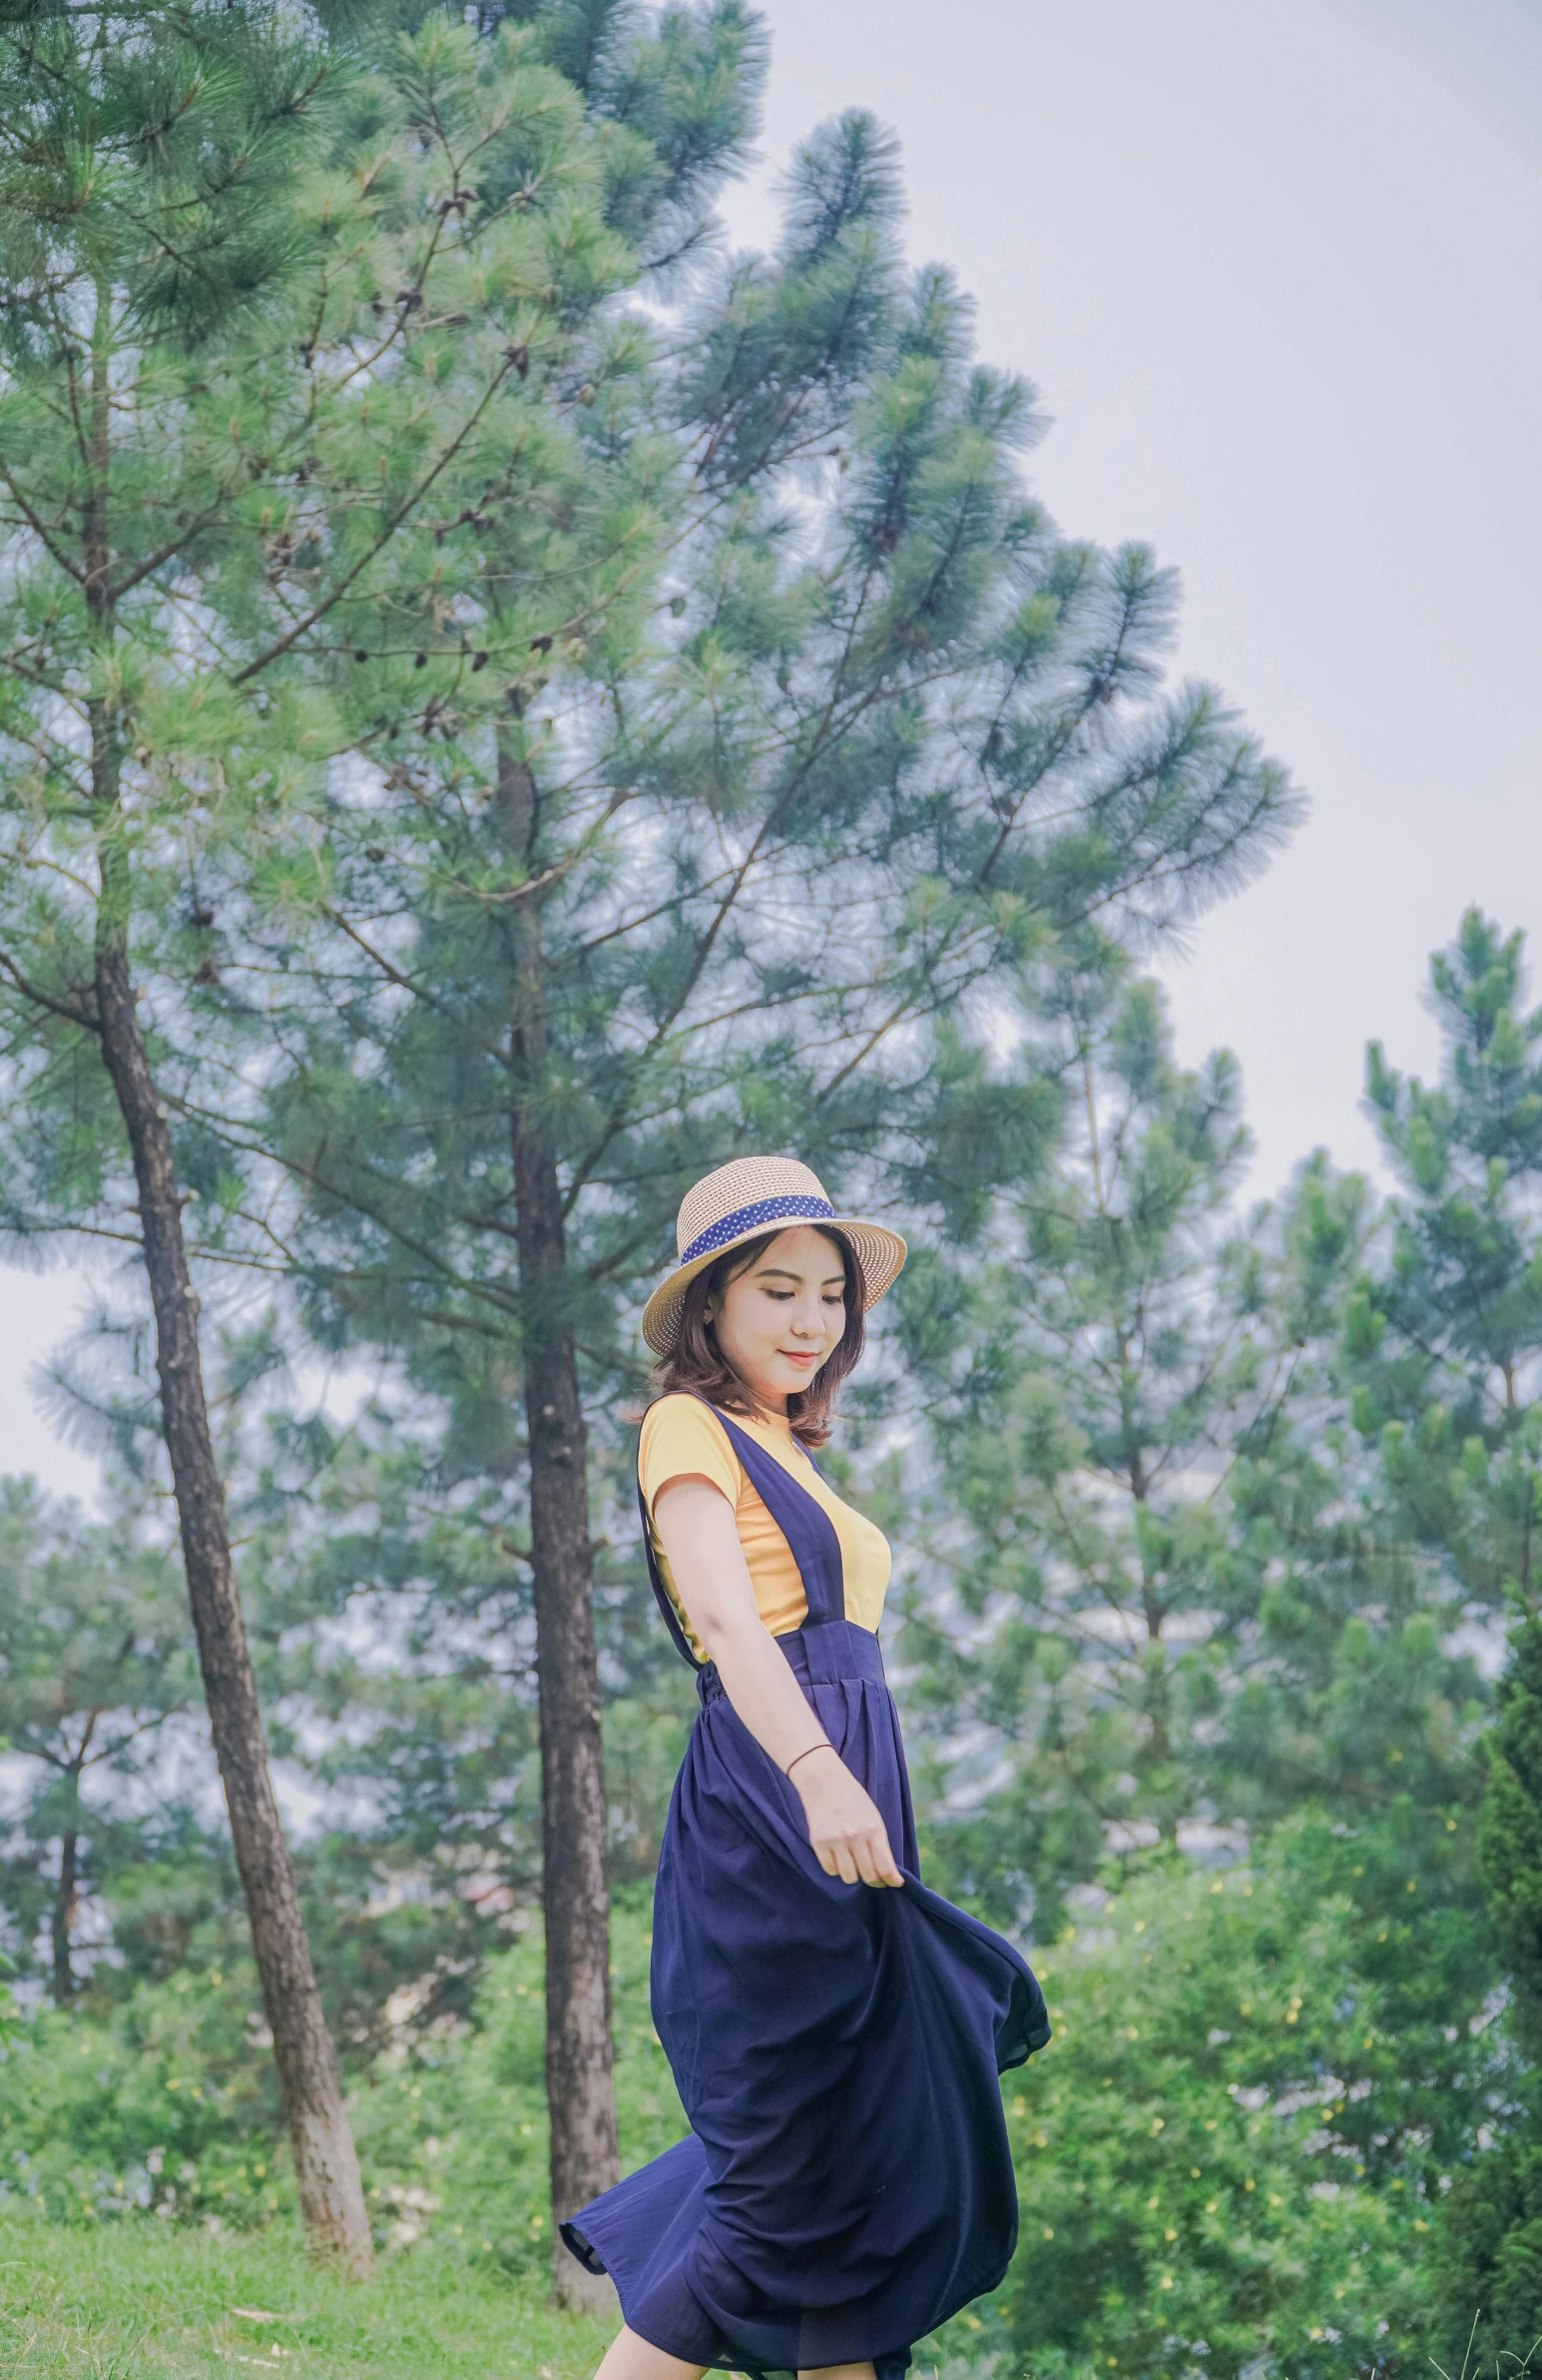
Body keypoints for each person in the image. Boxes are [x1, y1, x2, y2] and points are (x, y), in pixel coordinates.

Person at [562, 1157, 1049, 2380]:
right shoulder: (687, 1426)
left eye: (829, 1296)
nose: (809, 1320)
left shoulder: (788, 1446)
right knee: (784, 2187)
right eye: (777, 1290)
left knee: (859, 2162)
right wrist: (821, 1774)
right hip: (775, 1800)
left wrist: (848, 1780)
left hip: (840, 1791)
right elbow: (730, 1627)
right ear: (711, 1305)